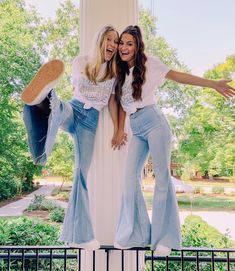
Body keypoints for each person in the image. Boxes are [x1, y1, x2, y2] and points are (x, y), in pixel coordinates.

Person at [113, 25, 235, 256]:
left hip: (155, 122)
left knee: (162, 178)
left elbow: (179, 77)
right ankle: (135, 234)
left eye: (130, 43)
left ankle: (164, 240)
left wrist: (212, 84)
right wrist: (120, 129)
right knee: (129, 178)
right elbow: (120, 104)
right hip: (136, 126)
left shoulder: (150, 63)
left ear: (137, 46)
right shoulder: (120, 72)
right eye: (122, 43)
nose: (124, 47)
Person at [21, 24, 125, 250]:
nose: (113, 45)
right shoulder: (81, 61)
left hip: (90, 121)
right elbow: (78, 88)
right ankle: (45, 95)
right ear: (101, 40)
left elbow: (113, 101)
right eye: (110, 39)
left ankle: (80, 236)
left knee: (81, 175)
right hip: (74, 109)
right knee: (58, 110)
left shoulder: (115, 72)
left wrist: (119, 129)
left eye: (116, 42)